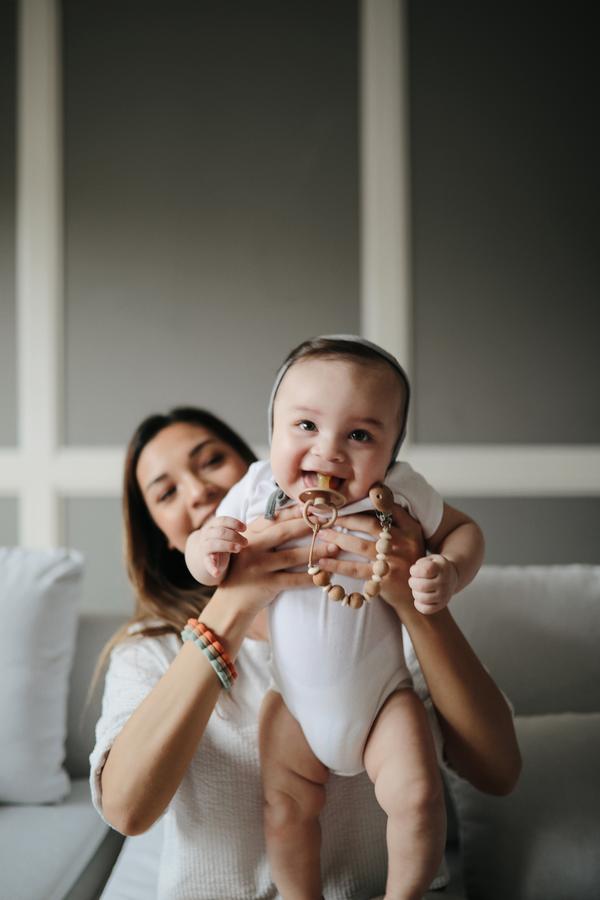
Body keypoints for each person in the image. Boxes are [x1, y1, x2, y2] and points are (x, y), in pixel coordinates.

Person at [91, 405, 520, 900]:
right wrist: (230, 605)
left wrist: (412, 596)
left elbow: (498, 770)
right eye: (166, 492)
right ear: (166, 540)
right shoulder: (151, 647)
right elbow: (127, 812)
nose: (198, 490)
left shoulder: (368, 603)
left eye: (211, 462)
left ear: (265, 468)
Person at [185, 337, 485, 899]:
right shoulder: (255, 491)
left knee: (418, 798)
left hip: (383, 698)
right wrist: (207, 552)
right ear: (272, 428)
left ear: (392, 450)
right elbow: (202, 553)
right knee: (285, 808)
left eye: (360, 435)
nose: (328, 451)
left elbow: (466, 531)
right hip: (292, 701)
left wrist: (449, 568)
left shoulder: (399, 494)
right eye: (305, 426)